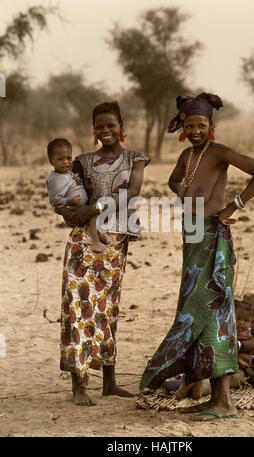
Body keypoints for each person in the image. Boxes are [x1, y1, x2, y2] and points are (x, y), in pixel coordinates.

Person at [139, 92, 254, 421]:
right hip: (192, 238)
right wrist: (183, 190)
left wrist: (233, 206)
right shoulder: (187, 156)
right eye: (190, 125)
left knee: (213, 314)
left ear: (211, 126)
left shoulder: (220, 153)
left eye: (202, 125)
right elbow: (173, 181)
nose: (196, 130)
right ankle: (209, 393)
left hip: (213, 237)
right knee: (194, 312)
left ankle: (223, 401)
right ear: (183, 126)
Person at [56, 101, 150, 405]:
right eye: (100, 126)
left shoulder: (136, 159)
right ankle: (78, 385)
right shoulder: (81, 161)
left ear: (120, 124)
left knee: (109, 310)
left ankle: (109, 383)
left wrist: (91, 209)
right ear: (93, 128)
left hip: (114, 243)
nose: (106, 131)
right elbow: (69, 203)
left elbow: (130, 194)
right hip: (83, 242)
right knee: (78, 308)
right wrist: (70, 211)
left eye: (111, 125)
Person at [175, 299, 254, 400]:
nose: (241, 322)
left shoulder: (241, 314)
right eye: (238, 319)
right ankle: (191, 380)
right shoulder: (209, 311)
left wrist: (239, 345)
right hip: (218, 361)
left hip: (245, 365)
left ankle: (200, 387)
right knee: (214, 372)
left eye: (245, 321)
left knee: (229, 379)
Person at [46, 138, 107, 253]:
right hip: (73, 210)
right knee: (93, 215)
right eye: (60, 159)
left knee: (95, 210)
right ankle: (95, 242)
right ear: (51, 161)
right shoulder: (55, 178)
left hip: (80, 206)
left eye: (69, 158)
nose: (66, 162)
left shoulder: (68, 172)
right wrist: (70, 202)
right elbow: (54, 200)